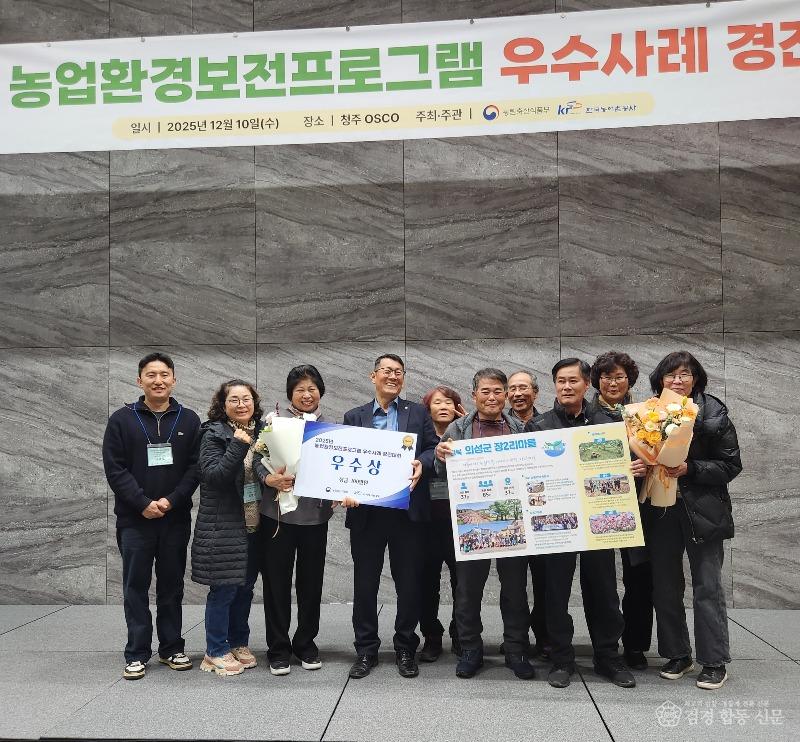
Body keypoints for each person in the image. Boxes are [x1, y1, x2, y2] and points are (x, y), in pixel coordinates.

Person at [526, 359, 635, 689]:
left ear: (587, 384)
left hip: (598, 519)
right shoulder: (539, 425)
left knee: (604, 591)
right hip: (556, 523)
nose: (566, 386)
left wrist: (634, 467)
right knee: (555, 593)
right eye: (560, 381)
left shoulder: (610, 423)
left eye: (573, 380)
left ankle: (608, 657)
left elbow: (626, 465)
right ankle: (561, 658)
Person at [645, 351, 741, 690]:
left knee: (707, 587)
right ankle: (678, 654)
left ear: (695, 379)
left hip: (704, 510)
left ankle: (714, 662)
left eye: (684, 374)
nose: (677, 380)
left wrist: (691, 468)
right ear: (660, 380)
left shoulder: (713, 413)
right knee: (665, 586)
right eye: (670, 375)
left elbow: (731, 465)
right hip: (661, 508)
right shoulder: (648, 413)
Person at [103, 352, 201, 681]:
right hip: (135, 520)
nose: (158, 381)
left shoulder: (189, 420)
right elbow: (115, 469)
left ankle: (171, 647)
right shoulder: (122, 419)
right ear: (139, 380)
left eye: (164, 375)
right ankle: (137, 652)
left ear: (173, 380)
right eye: (151, 375)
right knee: (136, 586)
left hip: (175, 519)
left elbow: (195, 469)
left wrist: (172, 501)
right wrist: (142, 503)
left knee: (172, 586)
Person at [342, 353, 439, 680]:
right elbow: (343, 460)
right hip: (366, 514)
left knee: (409, 584)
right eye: (387, 371)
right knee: (365, 584)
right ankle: (366, 649)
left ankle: (405, 647)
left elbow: (432, 448)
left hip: (407, 513)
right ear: (374, 376)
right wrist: (344, 489)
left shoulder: (418, 412)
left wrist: (422, 463)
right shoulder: (354, 416)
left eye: (398, 372)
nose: (393, 376)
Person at [435, 369, 533, 681]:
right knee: (468, 590)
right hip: (470, 521)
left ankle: (516, 649)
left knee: (515, 590)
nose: (492, 397)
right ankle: (470, 649)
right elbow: (440, 472)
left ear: (506, 395)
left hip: (513, 519)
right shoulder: (458, 428)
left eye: (498, 391)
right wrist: (439, 455)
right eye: (485, 391)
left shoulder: (521, 428)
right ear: (474, 395)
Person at [253, 365, 335, 675]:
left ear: (320, 392)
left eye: (312, 389)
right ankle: (278, 648)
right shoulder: (273, 422)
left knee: (311, 584)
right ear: (290, 394)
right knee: (276, 583)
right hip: (277, 516)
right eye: (300, 389)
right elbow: (257, 459)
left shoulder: (330, 428)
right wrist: (269, 478)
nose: (306, 394)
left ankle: (305, 643)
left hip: (315, 517)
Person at [191, 380, 264, 677]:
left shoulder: (263, 432)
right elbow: (214, 476)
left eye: (247, 399)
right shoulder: (213, 433)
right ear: (223, 405)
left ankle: (238, 642)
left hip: (254, 523)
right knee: (223, 589)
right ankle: (215, 649)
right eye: (234, 399)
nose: (241, 404)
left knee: (245, 588)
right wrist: (238, 444)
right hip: (223, 525)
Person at [588, 351, 652, 671]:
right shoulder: (584, 416)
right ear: (596, 381)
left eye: (619, 377)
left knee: (639, 578)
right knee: (600, 580)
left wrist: (647, 466)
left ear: (630, 380)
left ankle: (636, 644)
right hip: (597, 505)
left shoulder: (644, 416)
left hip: (637, 505)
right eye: (606, 377)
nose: (613, 383)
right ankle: (605, 646)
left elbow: (660, 455)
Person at [418, 385, 466, 662]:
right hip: (426, 523)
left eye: (449, 402)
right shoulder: (420, 437)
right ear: (428, 409)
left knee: (463, 583)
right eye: (437, 402)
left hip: (459, 522)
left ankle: (461, 634)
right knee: (427, 584)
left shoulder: (466, 434)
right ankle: (431, 636)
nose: (444, 406)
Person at [506, 370, 548, 658]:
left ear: (535, 392)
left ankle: (545, 637)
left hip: (544, 515)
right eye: (512, 389)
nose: (517, 394)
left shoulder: (549, 425)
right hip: (511, 518)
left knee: (546, 584)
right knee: (513, 587)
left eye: (523, 388)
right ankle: (516, 642)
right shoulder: (497, 425)